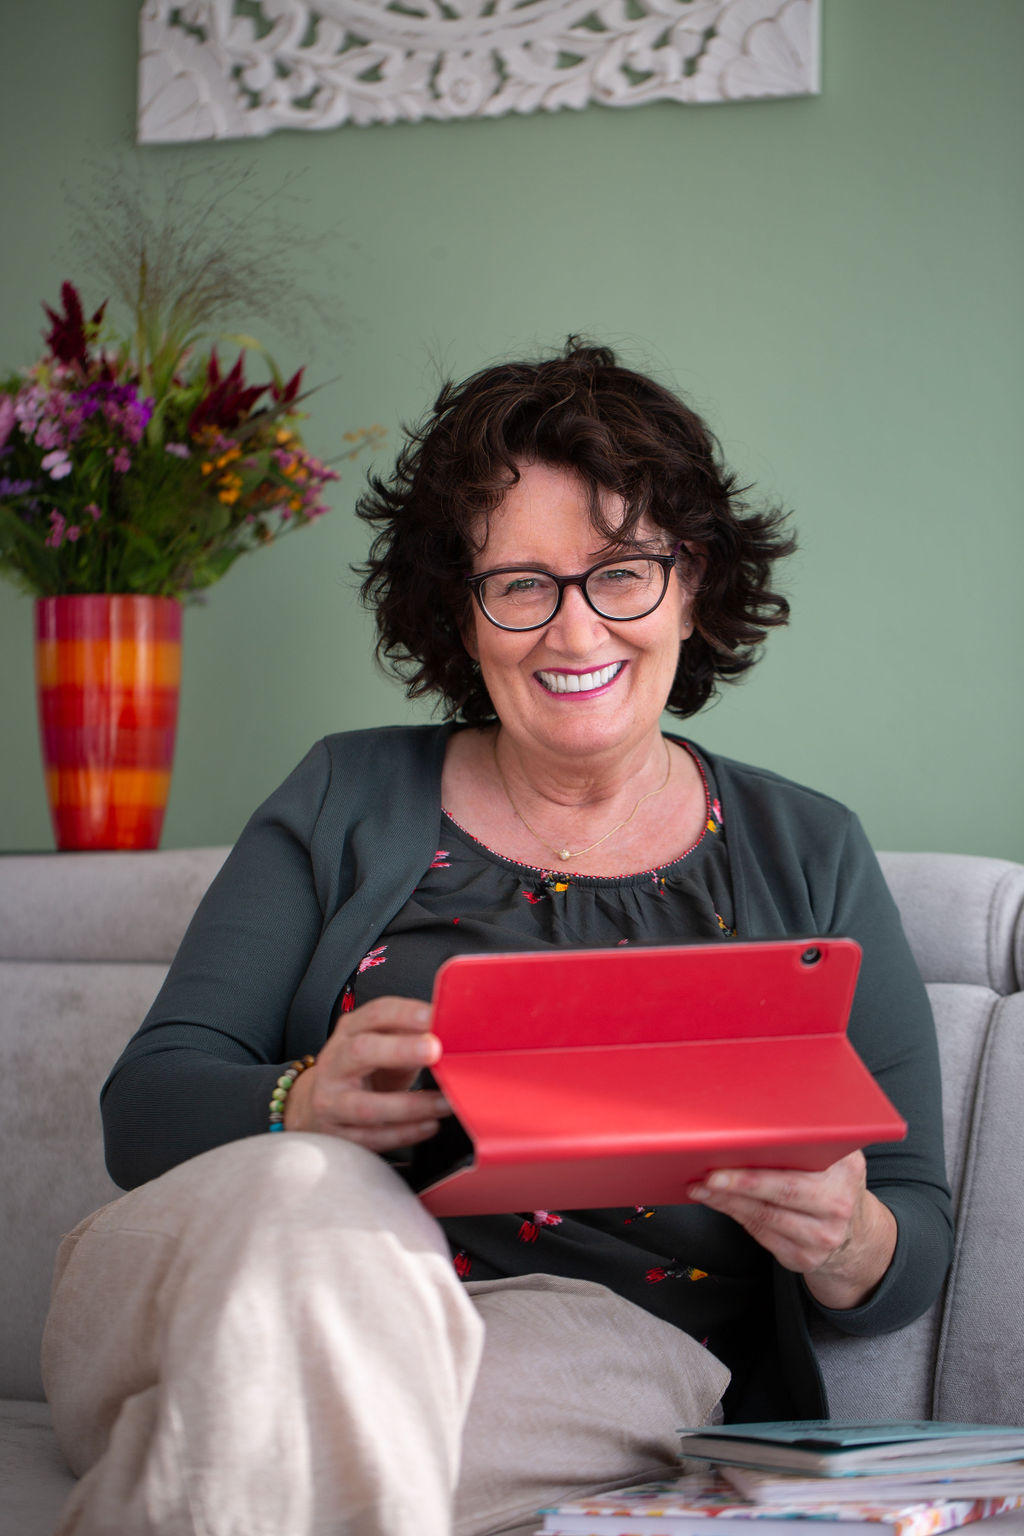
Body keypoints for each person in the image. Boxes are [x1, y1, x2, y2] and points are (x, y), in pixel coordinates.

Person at [42, 341, 952, 1536]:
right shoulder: (343, 794)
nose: (573, 634)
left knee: (279, 1429)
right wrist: (302, 1105)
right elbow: (145, 1110)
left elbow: (910, 1231)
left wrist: (846, 1236)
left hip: (581, 1345)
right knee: (305, 1202)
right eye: (519, 584)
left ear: (692, 585)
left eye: (619, 573)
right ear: (457, 614)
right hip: (235, 1267)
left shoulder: (809, 849)